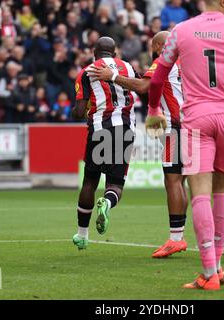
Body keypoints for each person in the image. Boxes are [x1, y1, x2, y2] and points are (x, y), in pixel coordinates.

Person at [147, 0, 224, 290]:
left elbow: (157, 80)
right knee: (222, 192)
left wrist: (154, 111)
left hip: (196, 117)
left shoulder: (181, 31)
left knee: (199, 192)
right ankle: (217, 266)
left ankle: (209, 272)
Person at [88, 31, 188, 259]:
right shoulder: (189, 61)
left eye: (153, 46)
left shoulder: (165, 60)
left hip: (176, 126)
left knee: (172, 180)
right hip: (197, 125)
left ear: (159, 46)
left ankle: (175, 239)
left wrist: (111, 76)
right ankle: (186, 236)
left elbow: (144, 86)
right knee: (184, 181)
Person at [71, 37, 139, 250]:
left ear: (94, 52)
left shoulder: (86, 72)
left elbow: (79, 112)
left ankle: (82, 235)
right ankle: (107, 203)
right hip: (126, 129)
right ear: (115, 52)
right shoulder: (127, 67)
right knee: (115, 185)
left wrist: (77, 110)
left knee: (90, 182)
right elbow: (142, 86)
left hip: (100, 129)